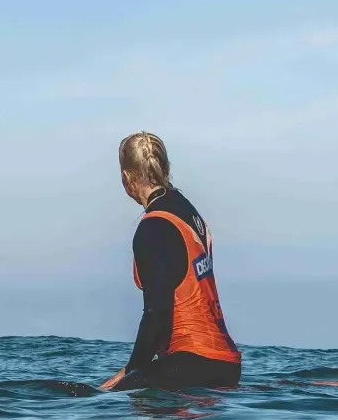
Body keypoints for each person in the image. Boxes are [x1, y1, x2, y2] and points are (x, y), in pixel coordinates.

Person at [100, 131, 242, 391]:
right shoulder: (187, 210)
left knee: (97, 398)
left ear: (126, 178)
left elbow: (157, 315)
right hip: (226, 363)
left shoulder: (154, 225)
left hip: (193, 363)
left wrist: (131, 372)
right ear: (165, 167)